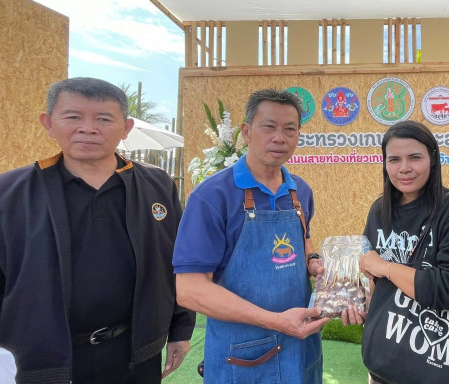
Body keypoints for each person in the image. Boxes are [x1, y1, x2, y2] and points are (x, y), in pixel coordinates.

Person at [0, 77, 195, 383]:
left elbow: (177, 260)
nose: (88, 128)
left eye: (103, 119)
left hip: (134, 353)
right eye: (73, 117)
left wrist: (180, 330)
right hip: (42, 359)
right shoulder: (10, 193)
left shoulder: (157, 186)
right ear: (48, 123)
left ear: (126, 128)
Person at [173, 88, 328, 383]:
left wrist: (312, 260)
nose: (279, 138)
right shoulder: (212, 196)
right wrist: (276, 321)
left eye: (290, 129)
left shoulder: (301, 192)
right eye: (269, 127)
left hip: (301, 348)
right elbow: (190, 289)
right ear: (247, 132)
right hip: (242, 356)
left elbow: (304, 238)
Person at [351, 120, 449, 383]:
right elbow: (374, 282)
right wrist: (361, 305)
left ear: (432, 159)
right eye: (394, 159)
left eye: (415, 157)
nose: (404, 168)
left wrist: (387, 267)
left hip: (440, 365)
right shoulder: (379, 211)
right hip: (385, 364)